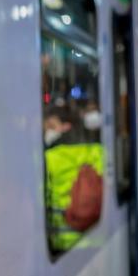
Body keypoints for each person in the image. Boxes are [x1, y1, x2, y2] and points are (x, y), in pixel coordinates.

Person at [43, 105, 105, 254]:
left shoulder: (49, 158)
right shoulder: (98, 151)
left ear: (66, 126)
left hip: (65, 243)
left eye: (51, 126)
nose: (47, 132)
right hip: (97, 236)